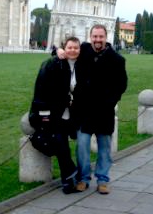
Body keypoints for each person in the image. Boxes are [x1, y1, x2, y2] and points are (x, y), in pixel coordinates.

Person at [57, 24, 128, 195]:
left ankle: (103, 180)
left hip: (104, 112)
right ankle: (83, 178)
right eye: (94, 37)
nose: (97, 40)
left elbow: (122, 85)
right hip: (84, 111)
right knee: (82, 146)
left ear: (106, 37)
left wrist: (111, 101)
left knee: (104, 148)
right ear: (90, 38)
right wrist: (58, 50)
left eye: (100, 37)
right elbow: (69, 50)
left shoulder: (117, 59)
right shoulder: (85, 50)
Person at [29, 36, 83, 194]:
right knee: (60, 143)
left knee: (63, 145)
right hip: (54, 113)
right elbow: (41, 91)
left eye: (76, 48)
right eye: (69, 47)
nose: (73, 50)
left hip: (70, 114)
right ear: (64, 48)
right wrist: (43, 116)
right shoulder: (53, 64)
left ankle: (70, 178)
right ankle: (70, 178)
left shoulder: (81, 65)